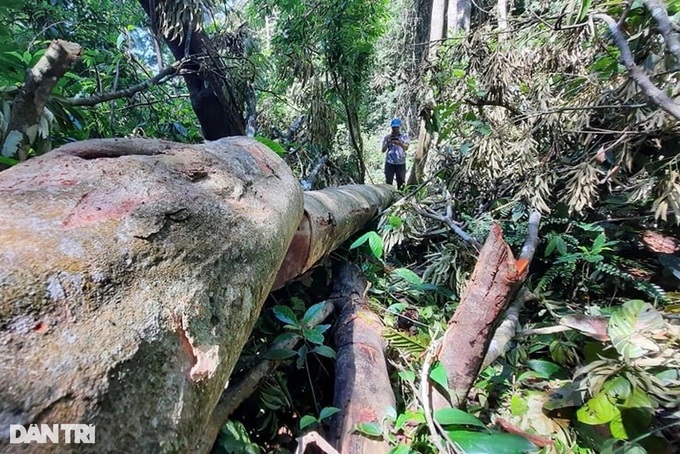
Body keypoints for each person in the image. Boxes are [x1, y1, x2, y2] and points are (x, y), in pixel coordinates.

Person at [381, 118, 409, 190]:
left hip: (400, 163)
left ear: (399, 127)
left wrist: (399, 143)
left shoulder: (404, 137)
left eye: (396, 127)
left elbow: (406, 147)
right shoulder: (387, 137)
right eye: (393, 127)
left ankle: (401, 197)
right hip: (390, 162)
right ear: (391, 127)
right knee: (388, 182)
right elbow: (383, 150)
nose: (395, 129)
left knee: (401, 183)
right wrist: (387, 142)